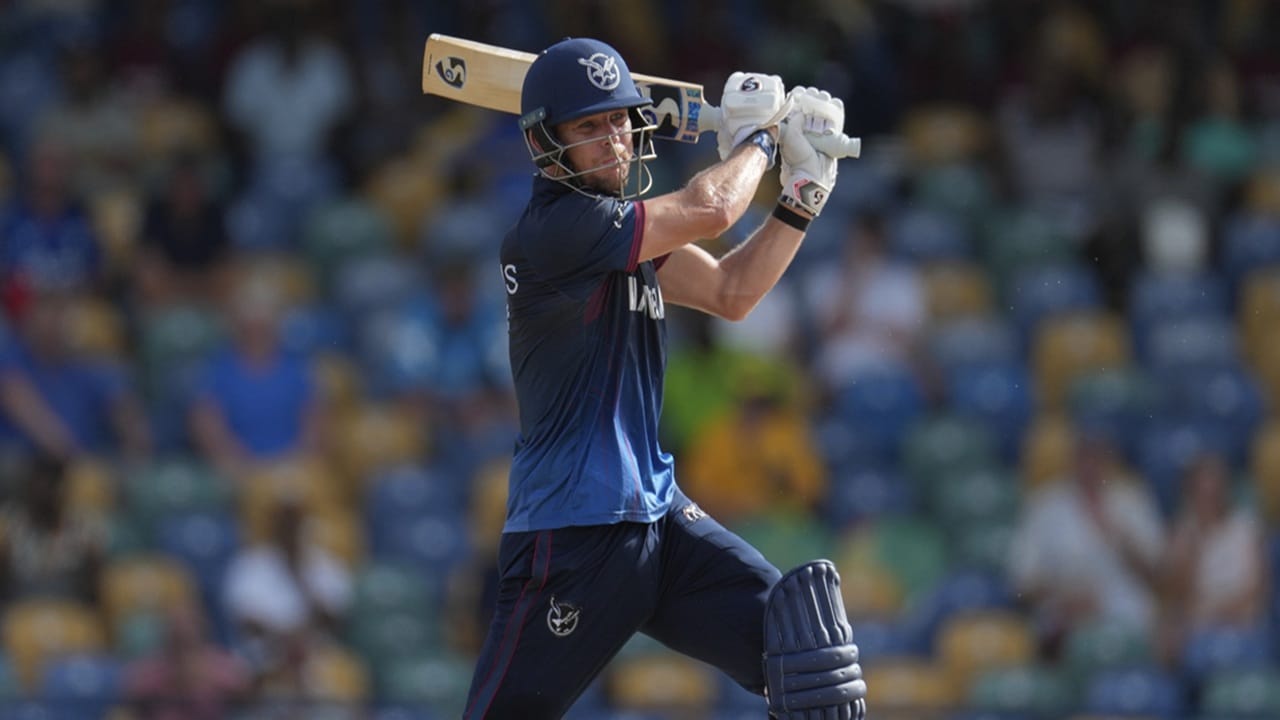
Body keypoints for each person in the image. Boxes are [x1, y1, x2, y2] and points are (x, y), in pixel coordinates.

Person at [463, 37, 866, 720]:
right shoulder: (554, 232)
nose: (613, 140)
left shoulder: (626, 235)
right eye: (588, 128)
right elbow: (712, 208)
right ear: (543, 145)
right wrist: (762, 140)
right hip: (572, 534)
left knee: (807, 657)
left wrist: (802, 196)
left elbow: (732, 292)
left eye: (619, 120)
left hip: (658, 517)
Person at [1007, 429, 1166, 659]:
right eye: (1085, 456)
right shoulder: (1044, 505)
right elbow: (1022, 583)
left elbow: (1158, 574)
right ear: (1072, 459)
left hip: (1127, 614)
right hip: (1062, 612)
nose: (1091, 465)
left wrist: (1119, 537)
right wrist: (1062, 595)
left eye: (1097, 456)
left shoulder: (1132, 500)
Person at [1157, 450, 1269, 664]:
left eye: (1213, 489)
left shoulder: (1246, 527)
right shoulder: (1182, 532)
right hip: (1197, 628)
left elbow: (1256, 589)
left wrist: (1217, 613)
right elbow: (1177, 597)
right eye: (1201, 490)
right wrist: (1194, 546)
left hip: (1239, 622)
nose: (1208, 496)